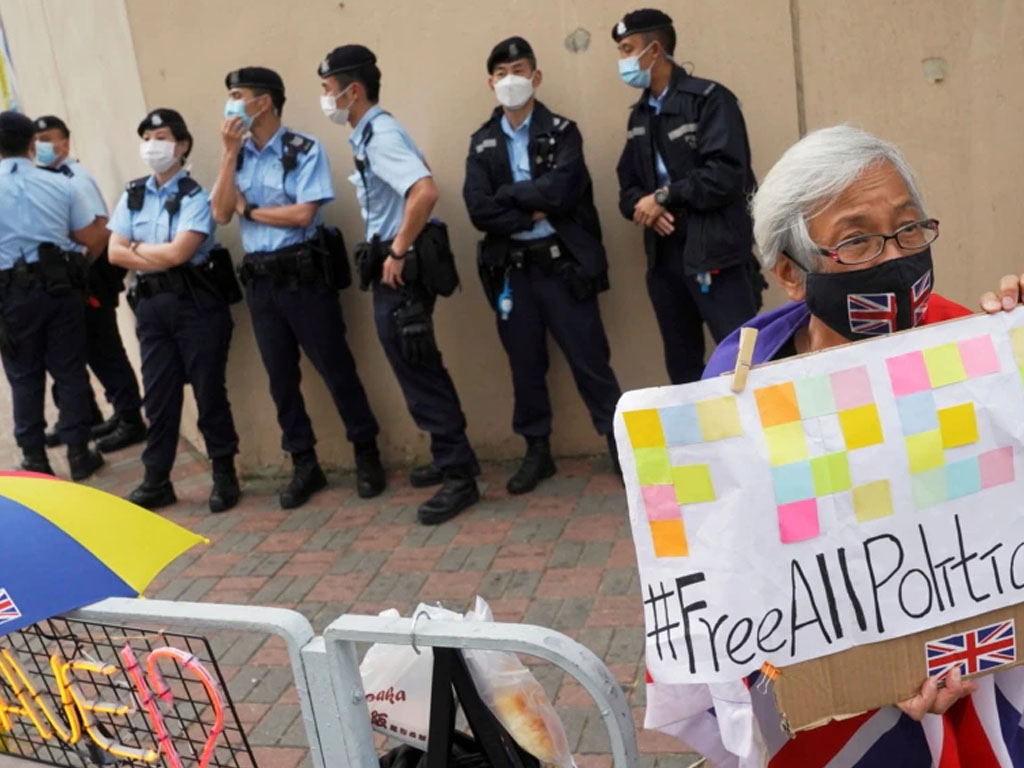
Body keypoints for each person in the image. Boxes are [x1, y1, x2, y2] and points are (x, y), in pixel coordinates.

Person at [662, 124, 1023, 767]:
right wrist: (868, 671)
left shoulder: (970, 348)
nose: (894, 256)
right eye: (857, 241)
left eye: (909, 230)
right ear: (789, 274)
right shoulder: (736, 395)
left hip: (977, 685)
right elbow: (725, 587)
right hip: (830, 714)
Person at [318, 45, 480, 524]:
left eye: (329, 91)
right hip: (392, 267)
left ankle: (459, 478)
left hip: (399, 272)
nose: (326, 100)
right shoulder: (369, 133)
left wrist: (398, 249)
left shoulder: (381, 134)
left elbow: (423, 190)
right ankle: (455, 457)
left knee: (418, 369)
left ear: (354, 90)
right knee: (418, 366)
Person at [211, 66, 386, 509]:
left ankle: (366, 453)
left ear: (263, 102)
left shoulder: (303, 149)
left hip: (303, 274)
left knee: (335, 367)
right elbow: (218, 213)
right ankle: (305, 463)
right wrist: (228, 156)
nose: (231, 105)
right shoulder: (238, 153)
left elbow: (304, 214)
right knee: (281, 378)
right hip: (260, 279)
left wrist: (250, 211)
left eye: (238, 95)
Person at [463, 37, 622, 493]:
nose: (510, 80)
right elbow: (478, 209)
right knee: (525, 365)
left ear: (536, 76)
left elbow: (562, 191)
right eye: (501, 73)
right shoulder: (482, 143)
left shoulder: (562, 131)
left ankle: (619, 447)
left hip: (562, 266)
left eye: (519, 70)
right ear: (490, 82)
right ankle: (537, 452)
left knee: (591, 360)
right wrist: (529, 204)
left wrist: (510, 195)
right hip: (514, 271)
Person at [613, 8, 761, 385]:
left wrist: (663, 197)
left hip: (716, 252)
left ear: (655, 50)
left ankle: (760, 441)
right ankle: (697, 445)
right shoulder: (639, 116)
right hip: (666, 257)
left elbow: (727, 175)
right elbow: (627, 185)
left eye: (628, 49)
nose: (622, 60)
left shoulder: (710, 100)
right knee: (683, 368)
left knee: (743, 362)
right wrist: (642, 207)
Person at [107, 108, 241, 513]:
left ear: (181, 146)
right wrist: (148, 255)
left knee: (208, 391)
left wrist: (136, 250)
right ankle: (157, 479)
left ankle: (223, 473)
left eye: (161, 136)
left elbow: (182, 253)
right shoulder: (133, 194)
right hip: (151, 307)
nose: (152, 145)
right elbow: (113, 253)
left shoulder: (196, 196)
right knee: (160, 397)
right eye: (146, 136)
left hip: (194, 305)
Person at [0, 110, 105, 480]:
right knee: (69, 369)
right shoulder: (61, 184)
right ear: (33, 144)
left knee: (23, 375)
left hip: (10, 294)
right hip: (61, 288)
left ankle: (35, 459)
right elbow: (91, 237)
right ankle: (79, 453)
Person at [33, 115, 146, 454]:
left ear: (66, 143)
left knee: (104, 348)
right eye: (36, 139)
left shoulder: (74, 178)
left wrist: (80, 271)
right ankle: (104, 414)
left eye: (48, 138)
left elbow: (100, 231)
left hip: (89, 275)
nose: (41, 145)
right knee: (87, 351)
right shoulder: (49, 177)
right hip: (75, 275)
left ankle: (130, 419)